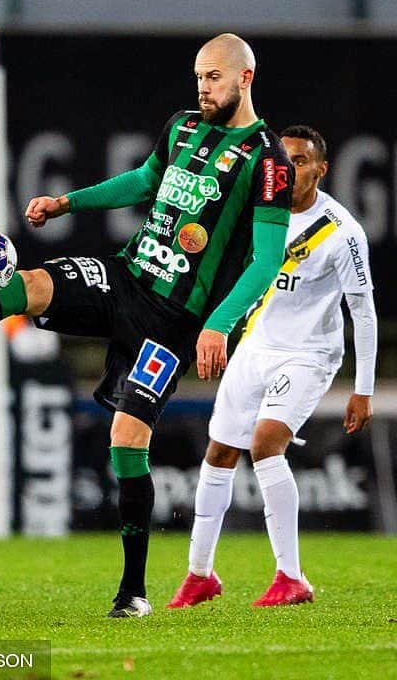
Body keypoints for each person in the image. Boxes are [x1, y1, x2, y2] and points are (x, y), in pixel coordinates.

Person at [0, 33, 293, 618]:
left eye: (214, 77)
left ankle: (133, 593)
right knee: (25, 287)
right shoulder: (183, 126)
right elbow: (141, 182)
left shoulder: (268, 161)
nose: (203, 88)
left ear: (246, 77)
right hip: (126, 276)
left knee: (126, 440)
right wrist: (67, 204)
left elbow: (266, 258)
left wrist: (218, 325)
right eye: (198, 77)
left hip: (175, 320)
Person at [168, 125, 376, 609]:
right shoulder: (260, 215)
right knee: (218, 452)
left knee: (264, 445)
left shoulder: (342, 233)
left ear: (321, 170)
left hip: (309, 354)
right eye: (285, 160)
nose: (291, 168)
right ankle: (200, 574)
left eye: (301, 161)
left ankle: (291, 577)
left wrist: (362, 388)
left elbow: (362, 312)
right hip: (256, 346)